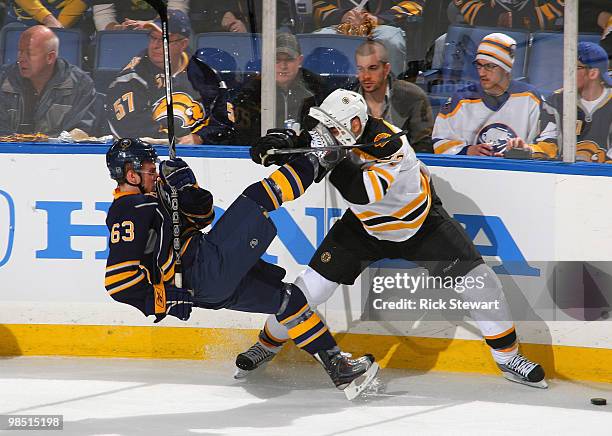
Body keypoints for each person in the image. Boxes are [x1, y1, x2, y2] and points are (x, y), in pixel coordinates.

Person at [239, 87, 547, 389]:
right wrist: (285, 145)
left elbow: (362, 192)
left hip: (420, 225)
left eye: (334, 128)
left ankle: (508, 357)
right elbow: (312, 145)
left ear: (355, 125)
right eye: (326, 127)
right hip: (363, 228)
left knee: (482, 284)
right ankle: (267, 344)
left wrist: (326, 158)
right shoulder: (338, 131)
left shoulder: (388, 142)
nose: (328, 132)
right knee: (309, 289)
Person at [103, 137, 379, 399]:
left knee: (290, 301)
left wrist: (188, 191)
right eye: (150, 170)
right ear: (131, 175)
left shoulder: (151, 195)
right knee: (259, 197)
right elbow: (119, 281)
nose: (156, 174)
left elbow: (202, 218)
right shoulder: (129, 209)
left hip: (205, 283)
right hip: (204, 267)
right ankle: (317, 159)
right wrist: (165, 301)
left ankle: (339, 369)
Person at [432, 32, 548, 157]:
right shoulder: (461, 99)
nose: (481, 72)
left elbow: (549, 145)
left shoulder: (530, 98)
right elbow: (440, 140)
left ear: (506, 68)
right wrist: (467, 151)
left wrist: (527, 150)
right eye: (479, 65)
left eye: (489, 66)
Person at [105, 9, 204, 143]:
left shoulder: (203, 72)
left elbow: (224, 117)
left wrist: (200, 137)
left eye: (164, 40)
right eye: (153, 37)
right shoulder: (131, 77)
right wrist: (179, 144)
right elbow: (133, 130)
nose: (155, 45)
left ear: (183, 44)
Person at [511, 42, 612, 162]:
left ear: (593, 73)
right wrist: (527, 150)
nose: (566, 72)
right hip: (565, 176)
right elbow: (548, 144)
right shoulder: (556, 101)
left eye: (573, 67)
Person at [0, 25, 97, 136]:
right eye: (20, 52)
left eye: (29, 53)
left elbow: (80, 131)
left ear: (50, 57)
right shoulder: (3, 79)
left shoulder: (80, 84)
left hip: (59, 152)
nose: (21, 59)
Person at [232, 33, 325, 143]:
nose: (283, 66)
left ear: (300, 61)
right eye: (277, 60)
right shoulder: (251, 92)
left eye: (289, 60)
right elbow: (243, 137)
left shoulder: (317, 88)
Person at [353, 39, 433, 153]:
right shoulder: (345, 98)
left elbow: (423, 147)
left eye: (372, 68)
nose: (365, 76)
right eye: (361, 69)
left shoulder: (414, 97)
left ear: (386, 69)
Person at [312, 0, 425, 76]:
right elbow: (318, 4)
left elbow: (414, 3)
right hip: (341, 24)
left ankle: (393, 92)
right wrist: (343, 15)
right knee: (316, 40)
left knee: (390, 41)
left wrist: (379, 18)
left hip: (383, 24)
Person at [452, 0, 564, 31]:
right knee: (443, 43)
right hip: (485, 33)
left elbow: (562, 4)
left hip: (537, 40)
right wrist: (495, 19)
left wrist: (522, 21)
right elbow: (466, 4)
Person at [92, 0, 187, 31]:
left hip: (165, 32)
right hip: (123, 34)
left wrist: (149, 25)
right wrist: (119, 28)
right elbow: (103, 16)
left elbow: (177, 14)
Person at [4, 0, 87, 28]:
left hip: (60, 22)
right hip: (22, 19)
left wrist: (57, 29)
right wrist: (48, 19)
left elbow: (59, 27)